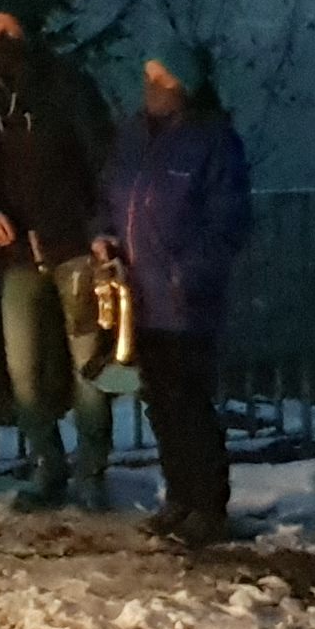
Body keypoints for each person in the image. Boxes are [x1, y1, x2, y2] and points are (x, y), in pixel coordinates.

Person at [99, 46, 253, 546]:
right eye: (148, 75)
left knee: (191, 404)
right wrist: (101, 235)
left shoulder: (212, 141)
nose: (151, 85)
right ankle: (179, 497)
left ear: (183, 84)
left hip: (187, 301)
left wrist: (189, 274)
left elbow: (228, 221)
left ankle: (209, 504)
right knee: (160, 403)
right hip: (137, 297)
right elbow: (107, 198)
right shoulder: (132, 136)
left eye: (161, 76)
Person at [0, 9, 117, 509]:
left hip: (72, 246)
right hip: (13, 254)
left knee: (90, 368)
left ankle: (92, 472)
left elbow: (102, 157)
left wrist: (101, 227)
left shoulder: (66, 86)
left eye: (10, 29)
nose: (1, 39)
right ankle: (47, 466)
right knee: (23, 371)